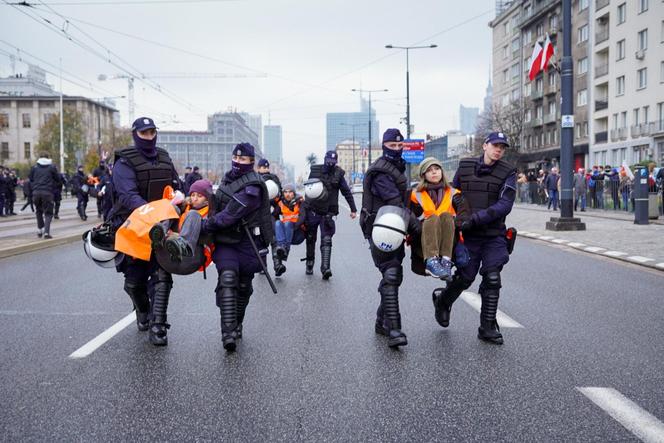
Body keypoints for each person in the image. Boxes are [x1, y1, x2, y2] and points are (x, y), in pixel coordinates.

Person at [432, 131, 517, 345]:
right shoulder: (466, 166)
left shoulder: (508, 172)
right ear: (485, 146)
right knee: (465, 278)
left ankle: (487, 327)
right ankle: (443, 301)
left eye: (502, 147)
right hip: (468, 235)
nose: (499, 149)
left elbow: (504, 204)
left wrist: (476, 218)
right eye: (495, 145)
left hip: (493, 234)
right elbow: (454, 194)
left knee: (492, 277)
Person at [109, 117, 182, 346]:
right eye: (144, 133)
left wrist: (179, 198)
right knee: (134, 280)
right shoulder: (124, 162)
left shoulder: (164, 157)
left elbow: (175, 184)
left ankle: (158, 326)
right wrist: (151, 214)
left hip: (161, 227)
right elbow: (128, 195)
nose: (149, 137)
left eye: (152, 132)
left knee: (162, 275)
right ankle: (143, 311)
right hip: (133, 225)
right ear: (135, 134)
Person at [202, 142, 273, 352]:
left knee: (243, 287)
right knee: (227, 278)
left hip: (248, 242)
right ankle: (228, 333)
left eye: (243, 160)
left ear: (251, 162)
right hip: (226, 242)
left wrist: (207, 224)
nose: (238, 162)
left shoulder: (253, 185)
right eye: (236, 158)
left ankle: (237, 322)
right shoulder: (227, 179)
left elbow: (231, 214)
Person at [361, 128, 420, 348]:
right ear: (384, 146)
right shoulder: (381, 171)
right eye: (391, 146)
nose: (396, 149)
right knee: (392, 272)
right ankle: (394, 329)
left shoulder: (397, 168)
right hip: (380, 226)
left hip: (395, 225)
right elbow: (394, 200)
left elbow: (403, 201)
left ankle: (381, 321)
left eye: (399, 146)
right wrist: (417, 226)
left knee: (393, 274)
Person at [409, 157, 469, 281]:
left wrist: (458, 224)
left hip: (448, 238)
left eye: (437, 169)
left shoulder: (454, 193)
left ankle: (446, 261)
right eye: (429, 170)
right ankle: (432, 261)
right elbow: (410, 216)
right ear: (423, 175)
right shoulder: (415, 195)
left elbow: (464, 213)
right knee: (432, 218)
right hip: (424, 241)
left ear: (442, 172)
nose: (434, 172)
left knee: (447, 216)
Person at [304, 150, 357, 279]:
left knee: (326, 239)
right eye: (329, 161)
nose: (330, 164)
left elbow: (346, 192)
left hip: (328, 212)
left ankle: (325, 268)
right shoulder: (316, 170)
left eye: (333, 162)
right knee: (311, 238)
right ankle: (310, 262)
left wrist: (353, 209)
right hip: (313, 210)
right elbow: (308, 189)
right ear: (324, 159)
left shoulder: (338, 174)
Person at [273, 183, 306, 274]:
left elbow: (303, 217)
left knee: (287, 224)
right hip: (286, 234)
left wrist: (292, 227)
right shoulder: (280, 203)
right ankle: (282, 248)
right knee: (278, 223)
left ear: (294, 193)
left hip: (297, 232)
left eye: (290, 192)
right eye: (285, 192)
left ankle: (285, 249)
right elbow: (273, 216)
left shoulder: (300, 202)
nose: (287, 194)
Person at [28, 152, 61, 239]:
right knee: (49, 213)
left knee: (38, 211)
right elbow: (58, 179)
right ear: (48, 157)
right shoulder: (52, 167)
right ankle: (46, 232)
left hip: (36, 192)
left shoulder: (34, 168)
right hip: (47, 192)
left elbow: (30, 179)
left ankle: (40, 229)